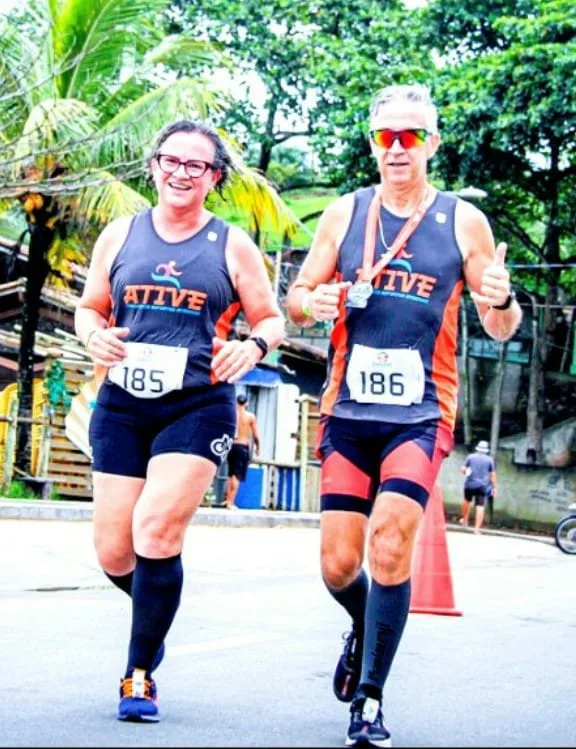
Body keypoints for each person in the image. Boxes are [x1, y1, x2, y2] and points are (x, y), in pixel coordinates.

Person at [284, 83, 522, 747]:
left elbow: (501, 326)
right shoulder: (344, 214)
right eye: (386, 136)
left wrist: (503, 300)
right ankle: (365, 624)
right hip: (348, 409)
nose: (396, 147)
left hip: (422, 408)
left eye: (410, 136)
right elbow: (298, 296)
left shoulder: (462, 222)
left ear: (432, 144)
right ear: (371, 142)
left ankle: (369, 697)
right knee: (337, 563)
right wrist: (315, 303)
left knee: (390, 541)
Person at [74, 119, 285, 723]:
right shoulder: (120, 235)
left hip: (197, 402)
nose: (181, 173)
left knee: (157, 530)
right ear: (154, 165)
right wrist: (93, 334)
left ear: (213, 177)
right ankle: (154, 616)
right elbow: (91, 306)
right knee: (116, 552)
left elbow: (271, 318)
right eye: (172, 160)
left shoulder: (231, 244)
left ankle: (139, 674)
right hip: (121, 402)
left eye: (196, 165)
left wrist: (254, 347)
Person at [225, 392, 261, 509]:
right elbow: (256, 435)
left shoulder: (232, 414)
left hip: (231, 446)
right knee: (237, 475)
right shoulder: (250, 416)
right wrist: (258, 447)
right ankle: (230, 502)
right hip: (242, 446)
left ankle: (227, 500)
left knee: (230, 474)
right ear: (246, 403)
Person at [459, 440, 497, 533]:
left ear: (477, 449)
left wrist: (465, 472)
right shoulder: (489, 460)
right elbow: (492, 475)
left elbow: (463, 469)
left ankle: (465, 521)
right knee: (480, 506)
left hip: (470, 484)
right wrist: (494, 487)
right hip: (482, 486)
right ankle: (476, 529)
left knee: (467, 501)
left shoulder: (470, 457)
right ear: (486, 450)